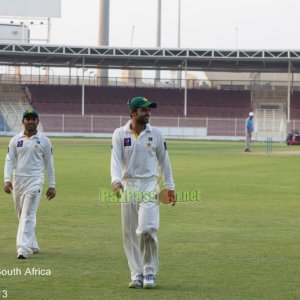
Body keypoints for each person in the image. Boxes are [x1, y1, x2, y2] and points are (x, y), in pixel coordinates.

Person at [110, 96, 175, 289]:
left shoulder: (156, 134)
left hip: (149, 186)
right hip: (128, 186)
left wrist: (170, 187)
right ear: (133, 113)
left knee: (147, 229)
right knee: (130, 234)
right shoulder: (120, 134)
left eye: (149, 110)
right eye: (144, 110)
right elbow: (114, 159)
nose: (148, 113)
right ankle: (136, 274)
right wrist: (116, 181)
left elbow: (165, 161)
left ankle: (149, 272)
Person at [3, 108, 56, 259]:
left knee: (28, 214)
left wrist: (52, 185)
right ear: (23, 121)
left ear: (38, 121)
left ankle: (23, 249)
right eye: (28, 118)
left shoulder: (44, 140)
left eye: (34, 119)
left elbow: (49, 164)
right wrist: (7, 180)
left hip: (35, 180)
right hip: (18, 181)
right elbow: (9, 161)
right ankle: (32, 244)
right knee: (21, 215)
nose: (31, 121)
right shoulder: (15, 140)